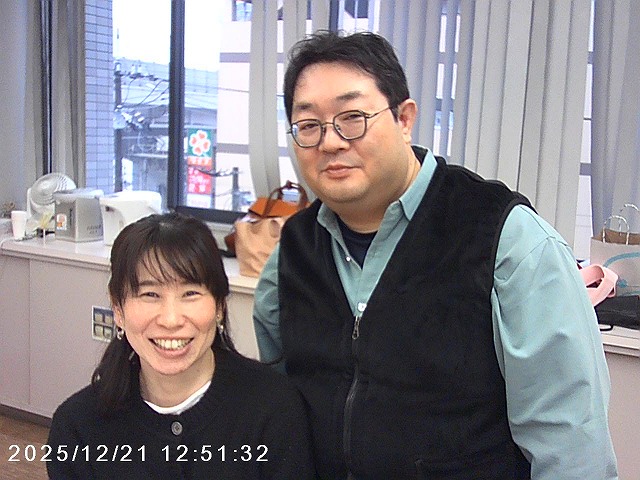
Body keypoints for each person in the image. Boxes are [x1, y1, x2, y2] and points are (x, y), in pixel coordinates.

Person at [253, 30, 618, 480]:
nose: (330, 142)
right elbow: (283, 408)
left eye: (352, 117)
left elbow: (572, 451)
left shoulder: (505, 239)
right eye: (309, 126)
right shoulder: (292, 250)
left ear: (404, 119)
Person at [47, 212, 315, 480]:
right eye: (150, 294)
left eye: (190, 294)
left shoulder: (273, 407)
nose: (171, 320)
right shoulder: (76, 427)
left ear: (219, 306)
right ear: (118, 309)